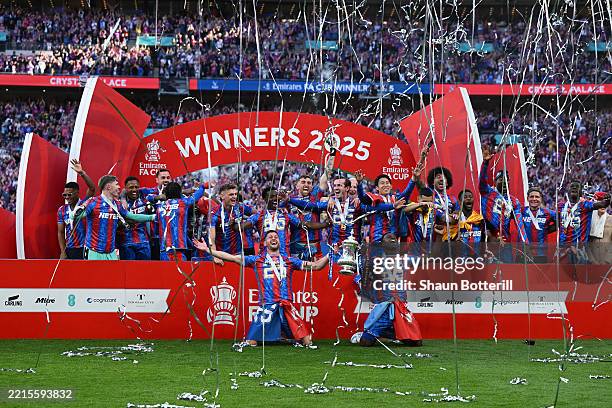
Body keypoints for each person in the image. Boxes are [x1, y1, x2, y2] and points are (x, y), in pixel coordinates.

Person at [194, 230, 329, 346]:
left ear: (280, 242)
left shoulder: (289, 261)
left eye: (276, 237)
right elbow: (231, 257)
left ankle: (286, 335)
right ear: (264, 243)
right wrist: (208, 250)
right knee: (251, 342)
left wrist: (329, 255)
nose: (273, 238)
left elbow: (316, 266)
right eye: (270, 237)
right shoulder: (256, 260)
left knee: (307, 342)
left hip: (286, 305)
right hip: (267, 306)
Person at [356, 233, 423, 347]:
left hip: (401, 307)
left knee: (416, 342)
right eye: (388, 238)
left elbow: (424, 259)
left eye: (394, 238)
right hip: (385, 307)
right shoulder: (375, 261)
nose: (392, 238)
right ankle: (376, 333)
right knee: (365, 342)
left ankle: (391, 334)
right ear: (382, 245)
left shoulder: (406, 259)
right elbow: (362, 275)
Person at [72, 175, 155, 260]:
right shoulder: (93, 202)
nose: (119, 187)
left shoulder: (117, 204)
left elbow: (132, 216)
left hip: (111, 252)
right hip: (94, 250)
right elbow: (76, 216)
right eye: (116, 184)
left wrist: (153, 217)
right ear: (108, 187)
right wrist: (78, 210)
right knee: (95, 274)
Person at [240, 187, 329, 257]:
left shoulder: (286, 215)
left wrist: (326, 224)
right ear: (264, 199)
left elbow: (305, 224)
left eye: (276, 196)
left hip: (284, 257)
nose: (275, 199)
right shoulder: (258, 216)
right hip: (265, 257)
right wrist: (232, 223)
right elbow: (240, 227)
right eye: (271, 197)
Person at [479, 146, 527, 243]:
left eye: (506, 180)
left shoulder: (514, 201)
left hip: (505, 240)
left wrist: (525, 242)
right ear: (495, 181)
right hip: (488, 238)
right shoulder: (487, 192)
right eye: (501, 180)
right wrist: (485, 163)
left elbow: (519, 224)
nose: (504, 182)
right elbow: (482, 181)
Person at [153, 181, 205, 261]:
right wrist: (203, 186)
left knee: (165, 273)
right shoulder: (184, 202)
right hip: (179, 248)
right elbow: (197, 195)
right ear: (179, 192)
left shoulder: (159, 207)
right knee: (179, 273)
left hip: (164, 249)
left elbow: (156, 229)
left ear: (166, 193)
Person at [57, 159, 96, 259]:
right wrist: (63, 251)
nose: (67, 197)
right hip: (70, 248)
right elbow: (61, 232)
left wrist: (82, 173)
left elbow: (92, 188)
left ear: (77, 193)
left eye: (69, 194)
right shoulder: (62, 210)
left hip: (85, 247)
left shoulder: (84, 204)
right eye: (64, 195)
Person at [209, 184, 253, 262]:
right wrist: (215, 256)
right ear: (222, 196)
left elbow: (258, 214)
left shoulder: (240, 207)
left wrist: (248, 224)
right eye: (231, 194)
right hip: (221, 255)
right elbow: (211, 239)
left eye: (235, 194)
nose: (234, 197)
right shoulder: (214, 213)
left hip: (238, 254)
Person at [558, 181, 610, 246]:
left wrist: (607, 198)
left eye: (577, 187)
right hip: (562, 249)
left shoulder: (585, 205)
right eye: (572, 186)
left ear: (581, 192)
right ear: (567, 191)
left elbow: (603, 204)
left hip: (578, 250)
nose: (574, 187)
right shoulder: (560, 206)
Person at [141, 169, 173, 260]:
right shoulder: (148, 191)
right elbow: (126, 190)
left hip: (171, 238)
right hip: (154, 237)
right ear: (157, 180)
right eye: (163, 178)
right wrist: (123, 198)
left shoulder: (175, 193)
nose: (166, 180)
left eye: (168, 178)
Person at [118, 176, 152, 260]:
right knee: (128, 272)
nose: (134, 190)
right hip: (126, 243)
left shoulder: (144, 196)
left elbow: (158, 192)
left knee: (145, 270)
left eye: (136, 187)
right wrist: (125, 222)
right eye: (131, 187)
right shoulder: (118, 203)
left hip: (144, 242)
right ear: (125, 189)